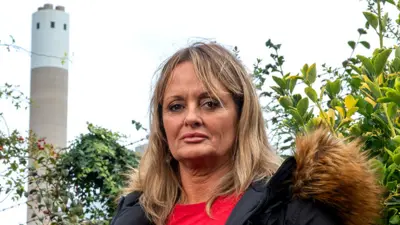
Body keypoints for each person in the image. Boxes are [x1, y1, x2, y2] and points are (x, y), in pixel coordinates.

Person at [110, 42, 382, 225]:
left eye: (210, 103)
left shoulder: (291, 211)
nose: (191, 118)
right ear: (161, 123)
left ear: (242, 116)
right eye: (176, 106)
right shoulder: (135, 215)